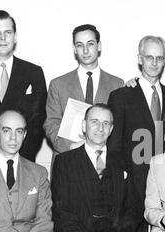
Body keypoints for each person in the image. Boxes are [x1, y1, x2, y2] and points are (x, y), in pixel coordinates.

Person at [51, 103, 151, 232]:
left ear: (112, 129)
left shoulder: (122, 161)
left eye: (106, 123)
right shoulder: (64, 162)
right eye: (94, 122)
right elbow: (61, 211)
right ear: (83, 125)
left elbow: (134, 205)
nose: (100, 128)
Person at [107, 35, 165, 204]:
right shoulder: (121, 96)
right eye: (149, 57)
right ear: (140, 59)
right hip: (132, 184)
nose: (154, 63)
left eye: (159, 58)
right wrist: (121, 179)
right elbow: (114, 144)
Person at [0, 10, 47, 163]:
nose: (2, 38)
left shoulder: (34, 73)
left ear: (15, 36)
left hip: (22, 162)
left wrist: (24, 157)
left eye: (8, 32)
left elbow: (39, 121)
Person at [44, 24, 124, 159]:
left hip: (103, 159)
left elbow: (119, 128)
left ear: (99, 46)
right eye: (80, 45)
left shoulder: (117, 84)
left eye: (90, 44)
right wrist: (70, 146)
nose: (85, 50)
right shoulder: (58, 84)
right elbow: (51, 124)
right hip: (67, 158)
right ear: (74, 49)